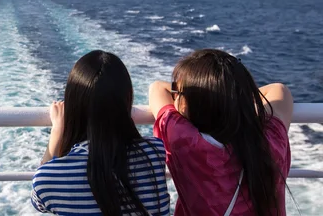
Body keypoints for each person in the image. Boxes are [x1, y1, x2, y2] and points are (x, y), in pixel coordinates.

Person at [148, 49, 293, 216]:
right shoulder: (272, 141)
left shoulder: (184, 140)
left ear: (191, 103)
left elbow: (157, 88)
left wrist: (193, 90)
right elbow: (279, 90)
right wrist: (233, 97)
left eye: (178, 92)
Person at [32, 50, 170, 216]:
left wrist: (57, 132)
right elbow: (159, 93)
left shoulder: (49, 179)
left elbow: (37, 202)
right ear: (127, 100)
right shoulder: (155, 153)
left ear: (73, 104)